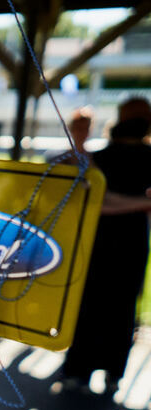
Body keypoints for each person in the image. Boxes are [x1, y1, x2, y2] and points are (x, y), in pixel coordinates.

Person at [62, 97, 151, 394]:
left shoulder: (104, 158)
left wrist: (114, 202)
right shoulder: (101, 157)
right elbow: (94, 201)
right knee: (107, 306)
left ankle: (93, 371)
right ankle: (100, 371)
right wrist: (141, 204)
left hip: (113, 243)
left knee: (104, 306)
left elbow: (98, 199)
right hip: (113, 243)